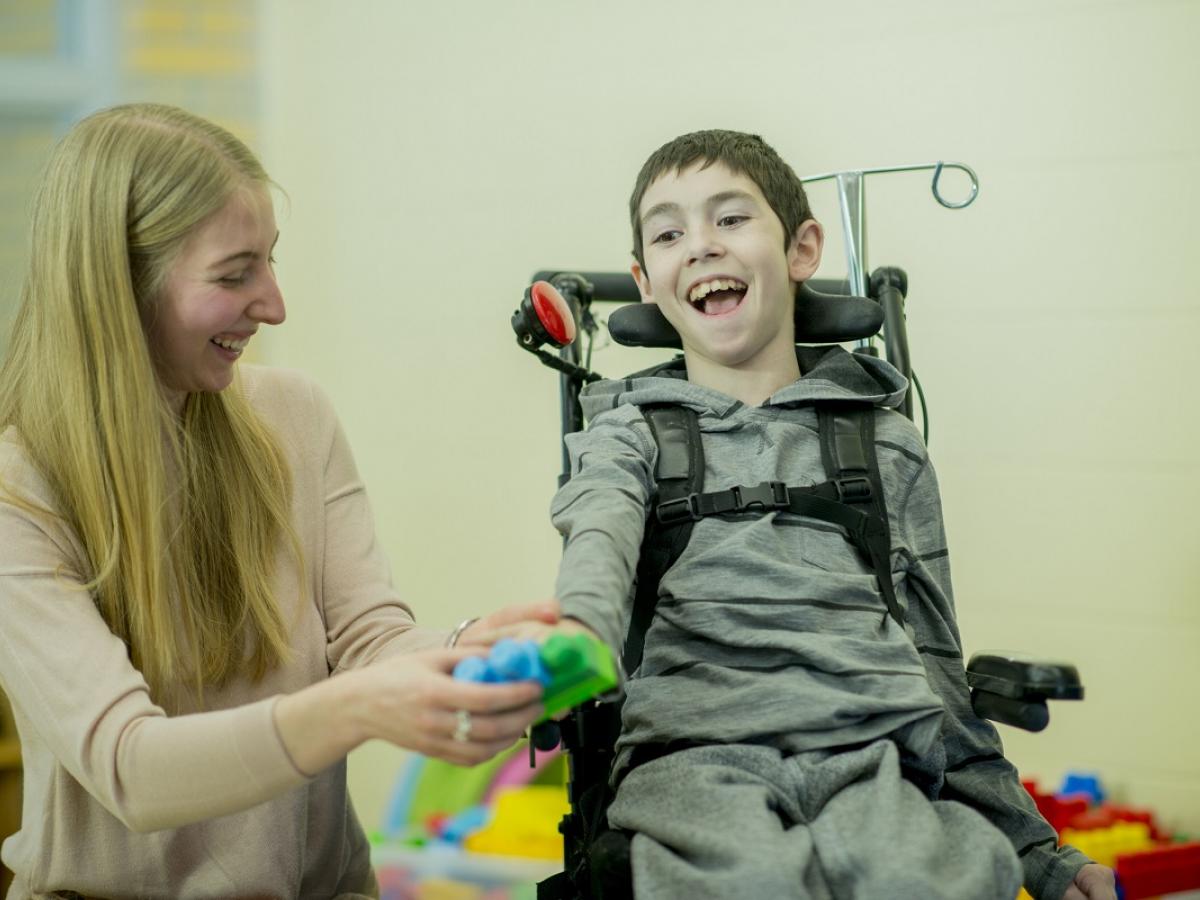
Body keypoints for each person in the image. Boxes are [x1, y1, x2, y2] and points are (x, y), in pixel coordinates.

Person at [538, 130, 1117, 900]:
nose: (702, 246)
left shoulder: (885, 443)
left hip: (875, 750)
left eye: (731, 219)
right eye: (671, 233)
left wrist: (1041, 856)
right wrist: (578, 634)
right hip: (695, 755)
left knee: (943, 874)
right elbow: (598, 543)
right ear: (647, 280)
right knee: (751, 884)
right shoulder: (625, 435)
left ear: (802, 247)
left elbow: (935, 661)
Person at [0, 103, 557, 898]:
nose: (274, 304)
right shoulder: (19, 494)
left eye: (271, 261)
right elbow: (131, 767)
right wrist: (358, 709)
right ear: (121, 285)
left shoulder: (294, 416)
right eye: (235, 274)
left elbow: (368, 637)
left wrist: (466, 656)